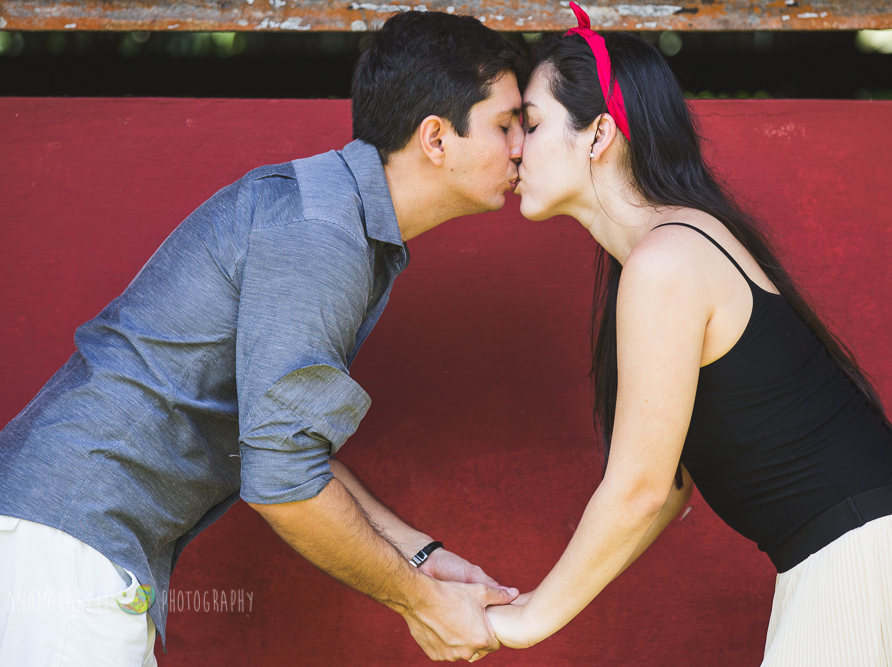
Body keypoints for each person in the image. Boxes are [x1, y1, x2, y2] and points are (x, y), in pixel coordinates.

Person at [0, 11, 528, 666]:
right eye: (506, 125)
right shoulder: (320, 235)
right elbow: (284, 479)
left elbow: (283, 441)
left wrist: (421, 555)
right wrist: (424, 602)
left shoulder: (330, 219)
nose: (521, 147)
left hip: (63, 545)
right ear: (436, 138)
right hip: (66, 555)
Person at [485, 4, 892, 664]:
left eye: (530, 124)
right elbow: (666, 487)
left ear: (599, 134)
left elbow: (640, 491)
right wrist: (532, 605)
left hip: (874, 556)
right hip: (889, 543)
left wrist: (527, 622)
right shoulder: (668, 247)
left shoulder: (666, 261)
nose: (515, 147)